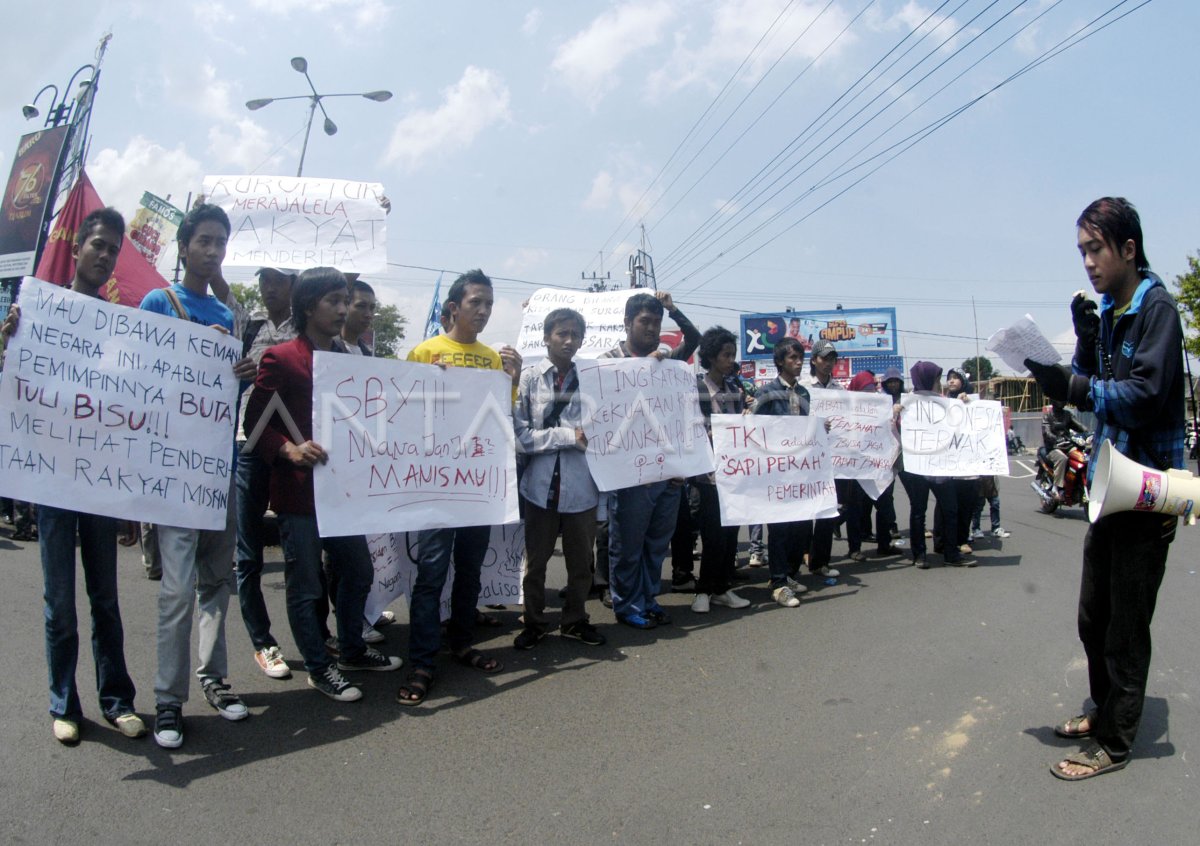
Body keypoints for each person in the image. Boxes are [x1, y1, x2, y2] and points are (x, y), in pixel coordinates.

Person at [1026, 197, 1185, 780]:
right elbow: (1095, 381)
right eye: (1082, 252)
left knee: (1125, 625)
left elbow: (1141, 397)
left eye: (1096, 249)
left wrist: (1074, 385)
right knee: (1095, 617)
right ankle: (1103, 710)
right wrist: (1083, 344)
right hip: (1109, 489)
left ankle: (1115, 742)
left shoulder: (1157, 311)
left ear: (1128, 249)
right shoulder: (1113, 311)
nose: (1088, 262)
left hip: (1146, 491)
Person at [2, 208, 146, 745]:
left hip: (101, 484)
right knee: (59, 601)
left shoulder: (122, 326)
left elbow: (133, 408)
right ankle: (64, 703)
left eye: (113, 250)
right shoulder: (36, 310)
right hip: (53, 482)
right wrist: (7, 341)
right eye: (99, 246)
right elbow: (11, 383)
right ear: (79, 247)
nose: (105, 256)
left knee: (105, 598)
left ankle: (117, 700)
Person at [245, 267, 402, 703]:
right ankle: (319, 667)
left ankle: (351, 649)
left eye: (345, 300)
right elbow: (255, 424)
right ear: (310, 306)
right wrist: (289, 451)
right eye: (335, 300)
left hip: (344, 494)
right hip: (299, 495)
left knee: (359, 570)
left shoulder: (350, 359)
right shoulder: (280, 358)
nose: (343, 309)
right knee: (307, 584)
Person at [138, 203, 257, 748]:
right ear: (183, 246)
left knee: (217, 583)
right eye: (204, 241)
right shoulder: (158, 304)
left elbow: (222, 399)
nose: (212, 252)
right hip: (173, 472)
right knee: (178, 591)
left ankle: (215, 679)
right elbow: (136, 377)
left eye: (221, 244)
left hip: (219, 470)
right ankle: (168, 700)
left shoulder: (229, 316)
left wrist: (239, 376)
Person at [396, 269, 521, 705]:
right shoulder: (425, 352)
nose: (484, 311)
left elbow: (500, 419)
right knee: (431, 575)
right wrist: (435, 384)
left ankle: (463, 642)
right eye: (476, 303)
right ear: (453, 308)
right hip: (436, 487)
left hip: (476, 485)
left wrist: (513, 378)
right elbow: (405, 416)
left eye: (489, 304)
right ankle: (423, 660)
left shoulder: (492, 359)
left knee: (470, 569)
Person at [595, 290, 701, 618]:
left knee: (656, 545)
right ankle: (627, 605)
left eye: (657, 322)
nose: (652, 328)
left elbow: (695, 338)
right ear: (627, 323)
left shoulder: (668, 363)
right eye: (645, 321)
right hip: (629, 474)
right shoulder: (608, 361)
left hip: (667, 473)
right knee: (626, 547)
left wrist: (673, 309)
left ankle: (649, 600)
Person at [513, 308, 606, 649]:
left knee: (581, 563)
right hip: (540, 489)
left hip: (582, 489)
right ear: (546, 337)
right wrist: (569, 437)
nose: (569, 341)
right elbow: (520, 436)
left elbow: (602, 432)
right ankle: (534, 622)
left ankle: (574, 620)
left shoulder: (595, 378)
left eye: (575, 335)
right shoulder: (528, 379)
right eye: (561, 334)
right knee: (535, 564)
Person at [231, 267, 297, 680]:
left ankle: (314, 635)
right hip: (249, 441)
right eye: (262, 281)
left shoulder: (307, 326)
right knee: (248, 551)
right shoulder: (247, 323)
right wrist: (240, 372)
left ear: (294, 284)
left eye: (276, 280)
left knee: (302, 550)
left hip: (293, 446)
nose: (267, 288)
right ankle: (263, 642)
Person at [690, 327, 751, 614]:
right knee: (712, 535)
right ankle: (703, 590)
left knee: (729, 536)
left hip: (732, 475)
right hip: (706, 477)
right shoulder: (696, 389)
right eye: (726, 355)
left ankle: (722, 588)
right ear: (712, 357)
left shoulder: (734, 391)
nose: (731, 360)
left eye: (733, 354)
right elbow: (691, 429)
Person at [754, 337, 815, 607]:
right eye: (792, 358)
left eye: (801, 357)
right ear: (780, 362)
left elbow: (805, 428)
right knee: (778, 528)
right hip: (776, 473)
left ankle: (789, 574)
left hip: (799, 473)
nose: (798, 362)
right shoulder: (766, 392)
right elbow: (753, 430)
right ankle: (778, 583)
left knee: (799, 528)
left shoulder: (804, 394)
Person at [897, 361, 967, 568]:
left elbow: (959, 423)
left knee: (951, 509)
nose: (939, 383)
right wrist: (895, 413)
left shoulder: (946, 402)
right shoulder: (908, 405)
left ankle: (951, 552)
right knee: (918, 512)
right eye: (937, 379)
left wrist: (964, 402)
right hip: (918, 468)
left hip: (941, 467)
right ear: (928, 380)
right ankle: (919, 555)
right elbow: (899, 431)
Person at [799, 339, 842, 579]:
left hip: (833, 459)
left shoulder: (840, 390)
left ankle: (820, 561)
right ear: (814, 360)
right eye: (824, 358)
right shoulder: (803, 387)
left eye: (832, 359)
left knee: (827, 511)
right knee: (805, 511)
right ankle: (804, 552)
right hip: (806, 459)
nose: (828, 363)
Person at [1041, 400, 1088, 494]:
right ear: (1054, 401)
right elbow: (1046, 432)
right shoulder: (1047, 416)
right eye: (1059, 399)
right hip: (1053, 447)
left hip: (1067, 445)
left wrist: (1087, 432)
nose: (1062, 402)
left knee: (1082, 457)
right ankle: (1056, 487)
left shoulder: (1067, 415)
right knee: (1062, 459)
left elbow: (1078, 426)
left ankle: (1076, 482)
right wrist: (1056, 439)